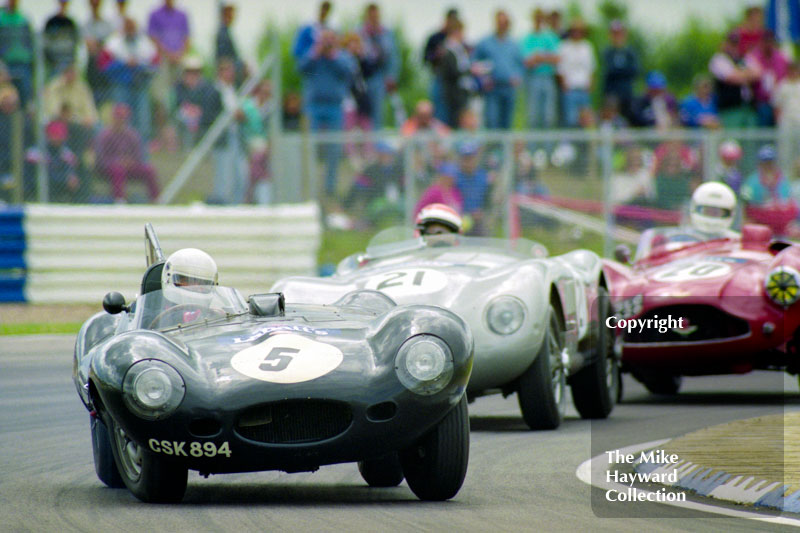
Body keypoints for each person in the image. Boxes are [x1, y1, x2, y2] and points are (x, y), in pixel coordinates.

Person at [297, 28, 355, 196]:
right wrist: (316, 52)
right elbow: (301, 68)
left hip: (334, 106)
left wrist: (332, 56)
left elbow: (348, 72)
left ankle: (330, 187)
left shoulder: (341, 57)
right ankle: (309, 186)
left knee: (334, 148)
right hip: (314, 105)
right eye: (325, 40)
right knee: (310, 147)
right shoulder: (313, 55)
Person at [104, 17, 158, 144]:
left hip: (140, 87)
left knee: (142, 121)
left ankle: (142, 154)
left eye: (132, 28)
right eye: (127, 28)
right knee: (121, 119)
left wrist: (139, 65)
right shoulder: (114, 44)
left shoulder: (145, 44)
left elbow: (155, 66)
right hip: (121, 86)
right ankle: (120, 148)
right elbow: (104, 66)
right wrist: (123, 64)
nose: (130, 31)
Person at [93, 103, 159, 203]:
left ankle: (156, 199)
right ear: (114, 118)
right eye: (119, 117)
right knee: (118, 170)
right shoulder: (104, 135)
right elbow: (101, 158)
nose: (121, 120)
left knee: (149, 170)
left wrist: (131, 162)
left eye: (124, 118)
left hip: (130, 166)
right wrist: (117, 162)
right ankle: (120, 200)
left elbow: (139, 155)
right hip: (109, 168)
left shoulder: (132, 135)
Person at [147, 0, 190, 143]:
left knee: (182, 99)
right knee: (161, 99)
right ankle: (161, 136)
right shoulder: (154, 14)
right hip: (163, 62)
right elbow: (153, 38)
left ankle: (178, 138)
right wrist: (168, 54)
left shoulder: (182, 15)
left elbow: (187, 38)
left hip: (179, 60)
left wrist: (179, 54)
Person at [473, 10, 522, 130]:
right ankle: (492, 148)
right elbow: (474, 62)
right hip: (492, 88)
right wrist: (483, 79)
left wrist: (517, 77)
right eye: (500, 22)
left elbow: (520, 65)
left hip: (509, 88)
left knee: (507, 121)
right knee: (492, 119)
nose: (502, 25)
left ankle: (505, 148)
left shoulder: (514, 44)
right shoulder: (485, 43)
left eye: (505, 22)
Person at [211, 57, 247, 204]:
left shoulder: (232, 90)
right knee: (224, 175)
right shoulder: (215, 91)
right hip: (223, 138)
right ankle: (222, 203)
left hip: (235, 137)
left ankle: (236, 204)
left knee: (240, 174)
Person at [357, 3, 398, 130]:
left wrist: (392, 76)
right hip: (361, 77)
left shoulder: (386, 33)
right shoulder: (359, 32)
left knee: (377, 111)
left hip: (378, 76)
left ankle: (375, 139)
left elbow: (393, 57)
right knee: (359, 112)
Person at [520, 8, 559, 131]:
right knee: (533, 115)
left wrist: (539, 57)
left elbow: (556, 58)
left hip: (548, 78)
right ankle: (532, 149)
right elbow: (526, 61)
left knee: (549, 115)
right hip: (532, 78)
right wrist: (544, 57)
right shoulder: (526, 39)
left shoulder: (551, 37)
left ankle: (548, 149)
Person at [709, 32, 759, 128]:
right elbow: (730, 77)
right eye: (731, 43)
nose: (734, 47)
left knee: (750, 139)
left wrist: (739, 73)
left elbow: (758, 74)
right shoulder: (719, 59)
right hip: (730, 109)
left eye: (736, 43)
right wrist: (747, 74)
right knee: (732, 140)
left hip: (748, 107)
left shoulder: (745, 58)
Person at [25, 120, 80, 202]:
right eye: (55, 135)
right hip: (35, 194)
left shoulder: (67, 154)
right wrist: (64, 180)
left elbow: (71, 179)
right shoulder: (35, 153)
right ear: (48, 136)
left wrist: (68, 180)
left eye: (60, 136)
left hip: (61, 196)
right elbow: (37, 179)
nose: (58, 139)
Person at [174, 54, 222, 148]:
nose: (192, 75)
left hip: (205, 122)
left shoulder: (209, 88)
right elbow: (179, 105)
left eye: (195, 72)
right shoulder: (179, 87)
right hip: (186, 121)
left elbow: (210, 110)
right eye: (189, 72)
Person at [423, 8, 459, 124]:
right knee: (440, 113)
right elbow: (425, 58)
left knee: (455, 115)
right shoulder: (436, 38)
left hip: (455, 84)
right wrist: (436, 55)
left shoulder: (458, 40)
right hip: (439, 79)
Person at [744, 31, 789, 126]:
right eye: (766, 41)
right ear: (762, 42)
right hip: (761, 102)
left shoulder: (781, 58)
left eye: (770, 41)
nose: (768, 44)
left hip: (780, 101)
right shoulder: (753, 57)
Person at [557, 18, 595, 128]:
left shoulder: (587, 47)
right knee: (570, 119)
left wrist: (590, 85)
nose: (577, 33)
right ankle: (570, 144)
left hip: (584, 89)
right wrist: (564, 85)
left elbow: (591, 68)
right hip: (570, 89)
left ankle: (583, 145)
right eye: (575, 30)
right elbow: (560, 69)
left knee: (585, 121)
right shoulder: (564, 46)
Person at [437, 19, 473, 129]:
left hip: (460, 92)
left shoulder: (459, 49)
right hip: (453, 94)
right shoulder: (448, 49)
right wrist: (470, 70)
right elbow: (452, 71)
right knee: (453, 121)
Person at [159, 247, 218, 313]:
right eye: (187, 281)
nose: (196, 287)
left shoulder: (212, 314)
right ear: (168, 278)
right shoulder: (151, 314)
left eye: (202, 283)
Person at [602, 19, 639, 122]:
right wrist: (623, 71)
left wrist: (617, 71)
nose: (617, 36)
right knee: (610, 119)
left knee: (628, 120)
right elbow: (608, 71)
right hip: (612, 93)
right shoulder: (607, 52)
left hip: (627, 93)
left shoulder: (630, 52)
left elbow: (634, 71)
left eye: (619, 33)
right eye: (614, 33)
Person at [43, 63, 98, 127]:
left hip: (77, 122)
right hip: (55, 121)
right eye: (69, 72)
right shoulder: (54, 86)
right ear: (64, 73)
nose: (71, 75)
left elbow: (89, 108)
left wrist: (89, 118)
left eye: (73, 73)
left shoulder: (82, 88)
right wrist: (60, 115)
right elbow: (50, 107)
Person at [0, 0, 34, 107]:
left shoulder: (24, 19)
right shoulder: (1, 19)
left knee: (25, 98)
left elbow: (30, 44)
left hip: (24, 65)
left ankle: (24, 120)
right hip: (5, 65)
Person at [455, 140, 491, 235]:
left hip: (479, 221)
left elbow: (488, 200)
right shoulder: (455, 177)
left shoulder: (483, 176)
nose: (468, 162)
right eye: (465, 158)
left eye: (471, 158)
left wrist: (483, 212)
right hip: (460, 220)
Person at [83, 0, 113, 107]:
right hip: (92, 67)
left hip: (106, 67)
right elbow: (90, 46)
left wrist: (99, 45)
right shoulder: (86, 24)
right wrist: (100, 44)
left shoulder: (107, 24)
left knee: (107, 100)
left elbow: (109, 46)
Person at [774, 60, 800, 175]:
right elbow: (777, 106)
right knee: (785, 152)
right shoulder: (782, 85)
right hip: (786, 122)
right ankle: (785, 176)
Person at [43, 0, 79, 77]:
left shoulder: (71, 23)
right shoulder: (51, 22)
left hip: (68, 64)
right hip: (53, 64)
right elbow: (46, 43)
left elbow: (75, 43)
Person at [215, 0, 244, 86]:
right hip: (227, 71)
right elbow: (223, 59)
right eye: (229, 12)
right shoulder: (222, 33)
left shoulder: (226, 31)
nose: (232, 15)